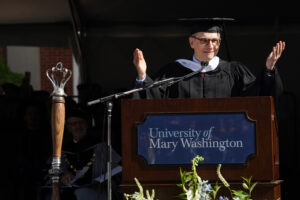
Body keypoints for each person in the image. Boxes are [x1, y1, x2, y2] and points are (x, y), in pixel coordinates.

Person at [132, 18, 285, 99]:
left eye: (215, 41)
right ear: (192, 42)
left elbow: (257, 96)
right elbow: (153, 100)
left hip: (226, 145)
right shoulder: (174, 72)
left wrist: (268, 70)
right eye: (204, 40)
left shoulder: (234, 72)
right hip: (183, 144)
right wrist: (142, 75)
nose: (210, 45)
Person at [51, 107, 122, 200]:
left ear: (87, 125)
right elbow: (54, 170)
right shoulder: (63, 149)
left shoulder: (100, 146)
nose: (78, 126)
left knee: (82, 193)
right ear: (68, 127)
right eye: (73, 124)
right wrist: (64, 173)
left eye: (81, 123)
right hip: (68, 189)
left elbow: (117, 167)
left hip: (96, 189)